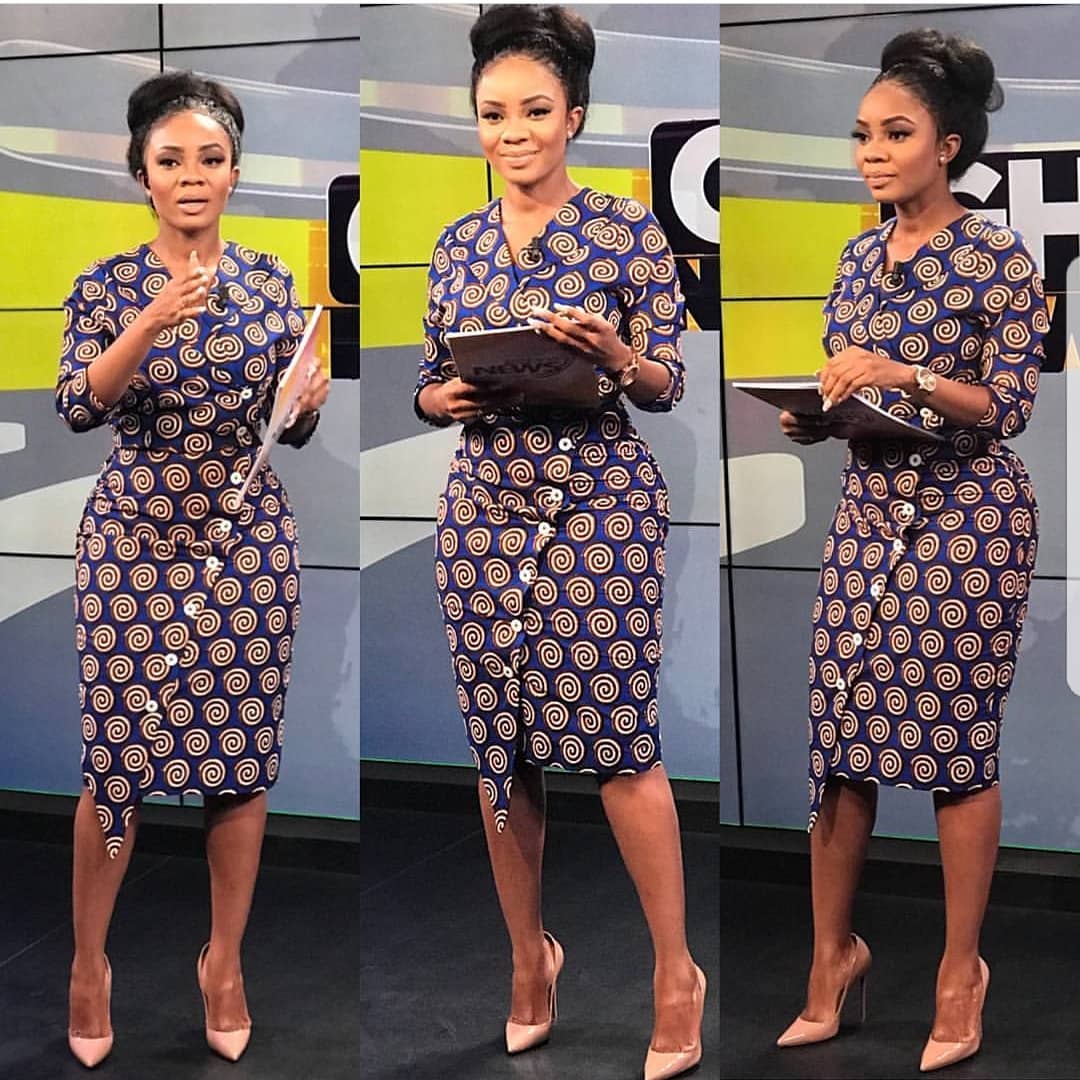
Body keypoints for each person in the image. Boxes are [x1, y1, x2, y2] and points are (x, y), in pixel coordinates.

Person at [413, 6, 705, 1078]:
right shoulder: (455, 244)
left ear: (573, 116)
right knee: (502, 751)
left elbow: (666, 384)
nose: (513, 132)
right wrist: (442, 397)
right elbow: (428, 380)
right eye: (494, 113)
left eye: (535, 111)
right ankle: (528, 960)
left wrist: (618, 355)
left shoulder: (626, 230)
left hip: (599, 501)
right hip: (483, 506)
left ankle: (676, 975)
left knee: (619, 741)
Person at [775, 29, 1047, 1073]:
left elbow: (1007, 405)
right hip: (867, 514)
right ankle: (829, 960)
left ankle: (959, 972)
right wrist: (815, 416)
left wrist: (907, 373)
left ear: (949, 145)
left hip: (969, 519)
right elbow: (849, 390)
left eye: (895, 134)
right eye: (862, 136)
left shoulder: (998, 257)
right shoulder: (856, 257)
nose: (872, 154)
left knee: (952, 746)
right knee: (839, 739)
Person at [57, 70, 329, 1067]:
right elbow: (78, 404)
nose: (191, 176)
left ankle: (224, 964)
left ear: (234, 172)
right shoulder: (106, 285)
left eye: (210, 159)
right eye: (170, 160)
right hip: (132, 546)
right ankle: (90, 966)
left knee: (239, 764)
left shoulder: (271, 282)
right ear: (141, 174)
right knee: (115, 768)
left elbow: (287, 427)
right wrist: (152, 319)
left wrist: (304, 404)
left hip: (247, 546)